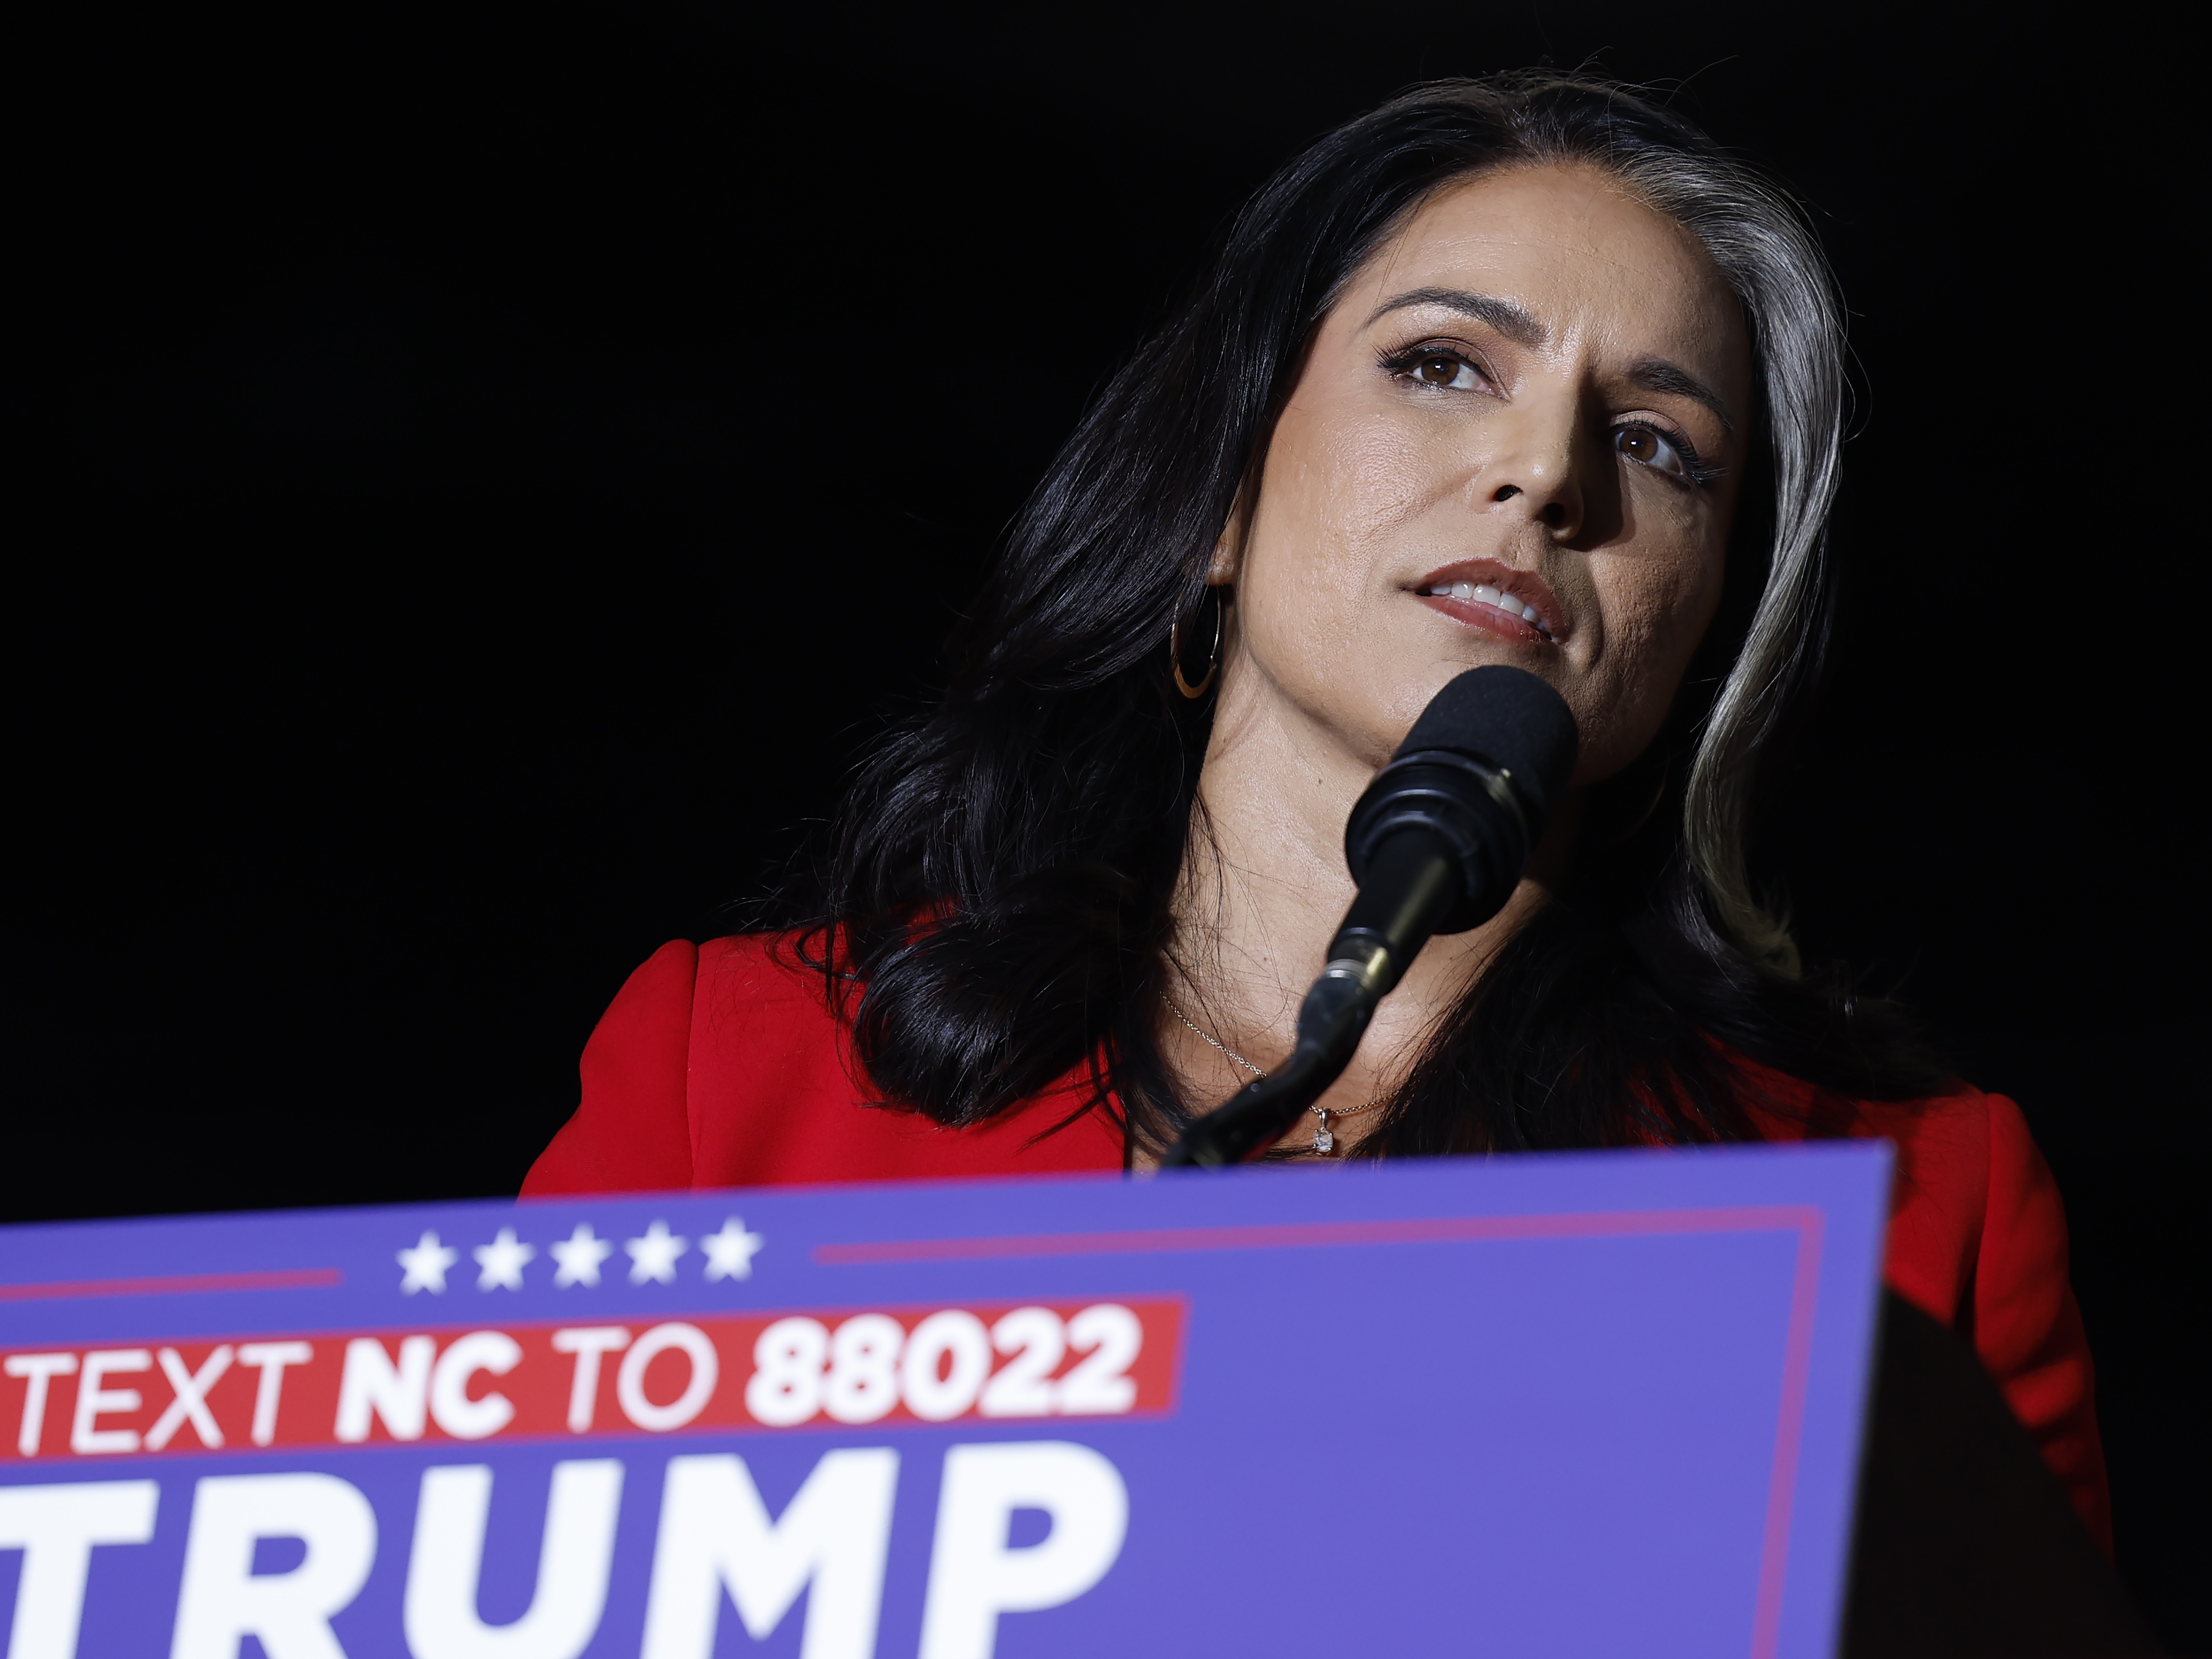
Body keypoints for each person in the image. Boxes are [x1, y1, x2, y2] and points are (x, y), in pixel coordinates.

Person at [523, 73, 2109, 1547]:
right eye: (1440, 365)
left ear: (1705, 628)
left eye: (1655, 444)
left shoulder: (1912, 1205)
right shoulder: (726, 1082)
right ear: (1225, 485)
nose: (1548, 473)